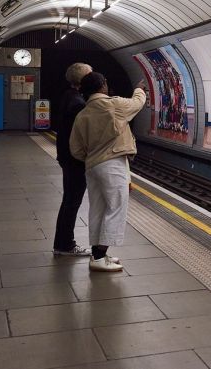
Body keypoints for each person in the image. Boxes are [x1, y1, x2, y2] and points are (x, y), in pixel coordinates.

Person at [70, 72, 146, 272]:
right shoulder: (113, 105)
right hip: (112, 164)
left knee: (97, 209)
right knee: (116, 208)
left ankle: (98, 255)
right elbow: (137, 103)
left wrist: (92, 156)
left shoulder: (82, 114)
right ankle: (99, 255)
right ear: (103, 86)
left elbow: (76, 149)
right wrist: (140, 89)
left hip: (92, 166)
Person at [53, 62, 93, 257]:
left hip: (66, 157)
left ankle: (62, 243)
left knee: (68, 200)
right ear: (84, 80)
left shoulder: (69, 96)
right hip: (74, 160)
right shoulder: (78, 103)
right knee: (72, 202)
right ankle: (66, 245)